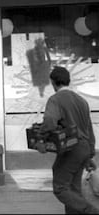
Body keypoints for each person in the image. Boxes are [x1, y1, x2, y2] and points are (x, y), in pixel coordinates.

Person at [36, 66, 98, 214]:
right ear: (67, 81)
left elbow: (50, 121)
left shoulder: (55, 99)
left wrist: (41, 138)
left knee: (60, 188)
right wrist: (90, 155)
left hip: (71, 148)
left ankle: (91, 211)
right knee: (73, 189)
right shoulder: (82, 101)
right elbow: (89, 129)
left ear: (53, 82)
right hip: (83, 148)